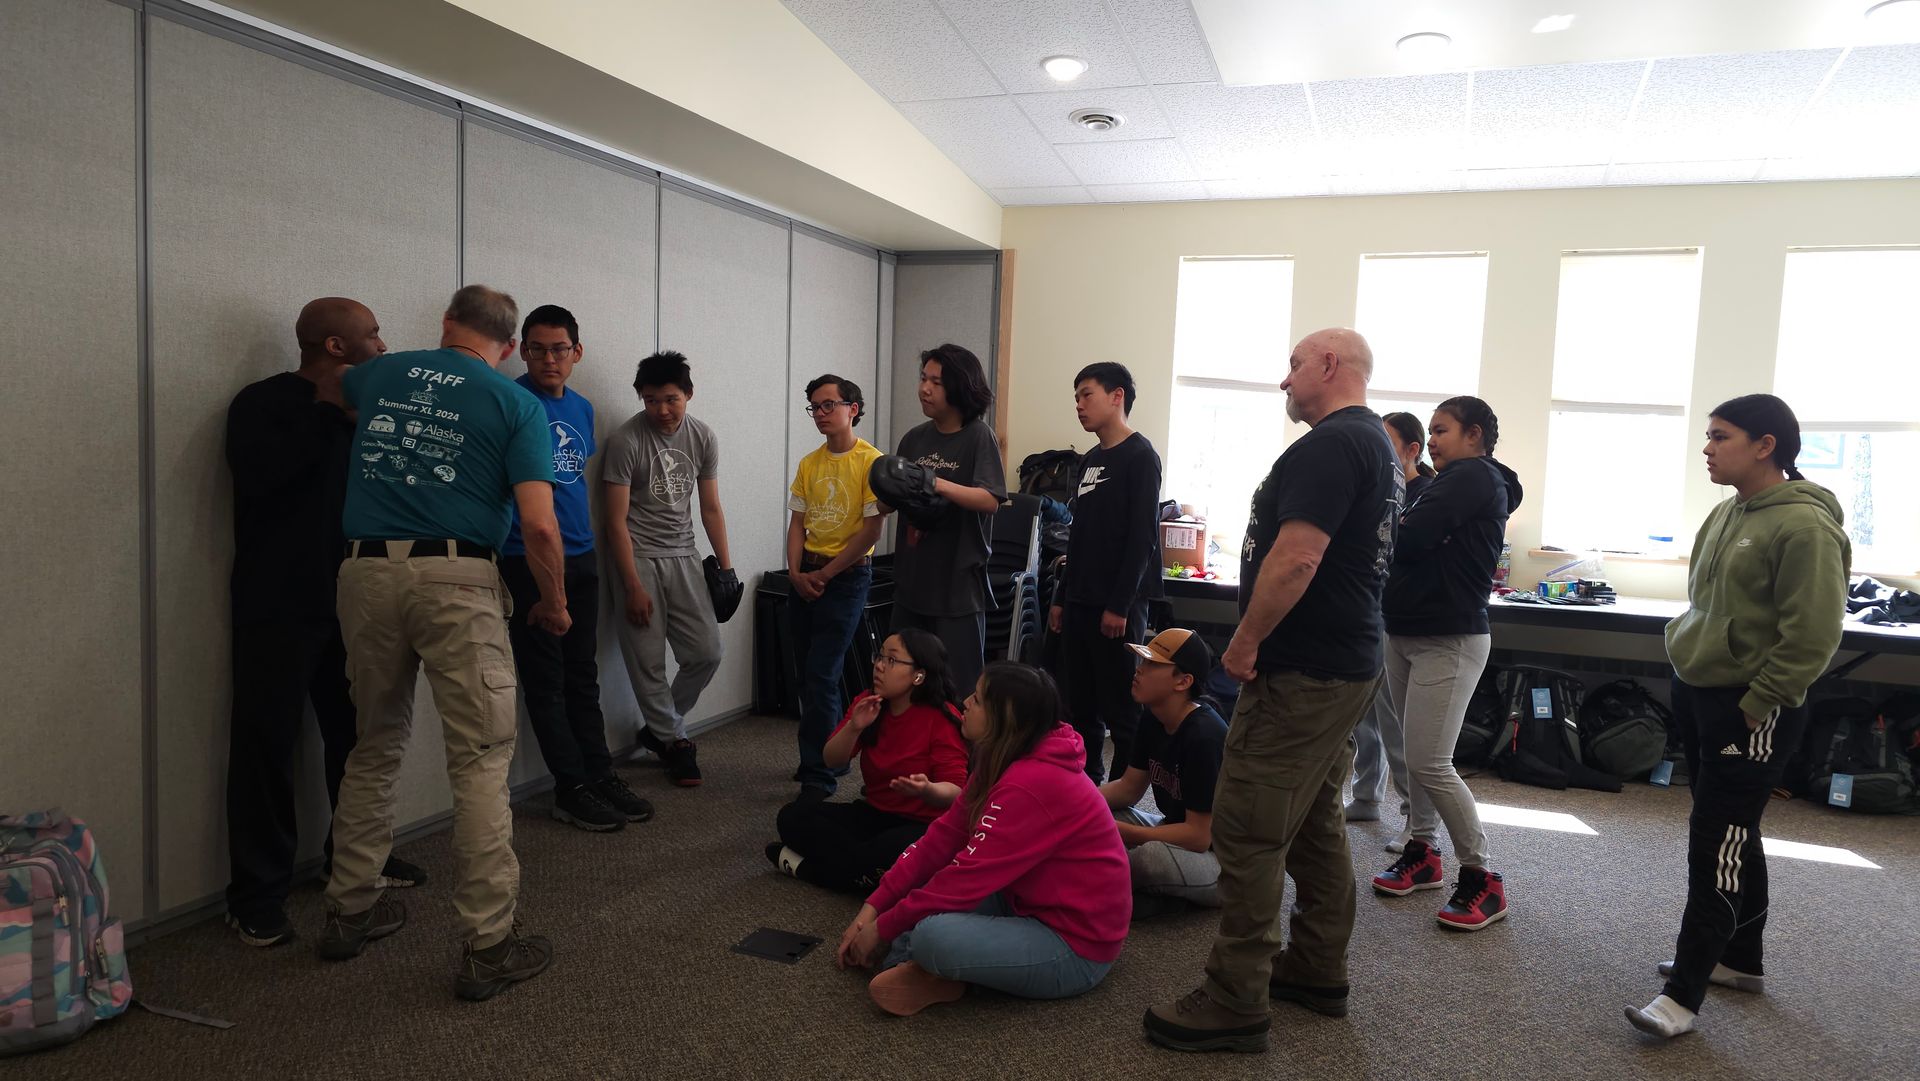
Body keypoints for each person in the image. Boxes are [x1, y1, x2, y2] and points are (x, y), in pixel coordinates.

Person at [1144, 328, 1401, 1053]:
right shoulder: (1377, 445)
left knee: (1249, 824)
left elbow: (1298, 557)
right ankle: (1316, 967)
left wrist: (1246, 641)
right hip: (1344, 663)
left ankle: (1234, 998)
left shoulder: (1329, 444)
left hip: (1304, 669)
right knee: (1314, 817)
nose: (1284, 382)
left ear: (1328, 365)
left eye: (1293, 366)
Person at [324, 285, 564, 1001]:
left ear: (445, 325)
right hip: (458, 576)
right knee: (482, 759)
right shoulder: (515, 402)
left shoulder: (382, 374)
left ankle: (348, 909)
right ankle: (489, 945)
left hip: (364, 570)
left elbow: (344, 386)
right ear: (512, 346)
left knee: (374, 739)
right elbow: (541, 525)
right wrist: (553, 603)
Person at [1627, 394, 1850, 1039]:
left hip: (1750, 707)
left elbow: (1813, 634)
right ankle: (1740, 962)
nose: (1707, 448)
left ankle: (1681, 997)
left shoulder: (1804, 527)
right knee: (1733, 832)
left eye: (1720, 437)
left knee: (1715, 843)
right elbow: (1705, 603)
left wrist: (1760, 702)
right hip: (1701, 692)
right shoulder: (1731, 511)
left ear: (1766, 445)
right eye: (1708, 436)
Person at [221, 297, 426, 947]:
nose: (383, 342)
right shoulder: (264, 404)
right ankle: (256, 894)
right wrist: (330, 414)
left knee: (361, 741)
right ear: (336, 347)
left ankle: (356, 858)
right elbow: (260, 477)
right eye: (372, 333)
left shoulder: (373, 415)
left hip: (356, 600)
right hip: (277, 603)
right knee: (267, 747)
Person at [835, 662, 1130, 1017]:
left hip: (1075, 946)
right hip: (1022, 901)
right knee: (920, 896)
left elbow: (965, 881)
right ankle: (926, 968)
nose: (965, 702)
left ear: (1004, 717)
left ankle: (936, 971)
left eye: (977, 698)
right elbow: (941, 839)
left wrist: (881, 929)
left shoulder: (1032, 782)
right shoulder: (1001, 756)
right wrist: (873, 908)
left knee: (931, 935)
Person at [1371, 397, 1522, 931]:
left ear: (1474, 434)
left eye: (1442, 430)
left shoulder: (1473, 476)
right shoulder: (1442, 481)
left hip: (1449, 638)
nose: (1432, 439)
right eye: (1431, 431)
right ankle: (1423, 853)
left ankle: (1483, 878)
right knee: (1414, 759)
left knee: (1431, 761)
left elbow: (1406, 539)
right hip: (1406, 630)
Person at [499, 305, 652, 832]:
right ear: (521, 351)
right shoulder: (512, 401)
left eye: (559, 348)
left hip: (582, 552)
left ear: (576, 353)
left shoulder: (583, 409)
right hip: (526, 556)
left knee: (582, 675)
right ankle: (571, 787)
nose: (548, 358)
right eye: (536, 348)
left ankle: (599, 771)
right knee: (546, 681)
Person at [602, 350, 732, 788]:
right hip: (638, 557)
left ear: (688, 395)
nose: (662, 409)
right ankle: (676, 741)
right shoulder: (626, 441)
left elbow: (710, 508)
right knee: (648, 662)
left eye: (671, 399)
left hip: (685, 556)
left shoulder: (703, 437)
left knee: (706, 653)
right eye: (651, 399)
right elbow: (614, 521)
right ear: (641, 398)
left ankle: (660, 728)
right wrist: (632, 584)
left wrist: (726, 568)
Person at [766, 629, 968, 893]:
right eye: (879, 656)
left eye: (892, 660)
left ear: (919, 675)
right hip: (874, 814)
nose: (879, 666)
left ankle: (812, 871)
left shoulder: (941, 717)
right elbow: (831, 759)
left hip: (923, 825)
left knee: (890, 851)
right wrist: (854, 727)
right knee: (792, 817)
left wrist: (927, 790)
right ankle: (867, 878)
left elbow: (956, 792)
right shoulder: (868, 702)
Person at [1048, 362, 1163, 783]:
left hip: (1117, 607)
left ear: (1117, 397)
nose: (1079, 405)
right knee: (1079, 706)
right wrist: (1061, 598)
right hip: (1079, 600)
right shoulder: (1091, 459)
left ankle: (1121, 802)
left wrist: (1120, 605)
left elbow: (1142, 540)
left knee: (1121, 709)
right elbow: (1077, 538)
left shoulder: (1141, 456)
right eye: (1076, 397)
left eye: (1086, 394)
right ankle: (1085, 788)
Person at [787, 374, 887, 798]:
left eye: (829, 405)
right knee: (807, 674)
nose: (821, 414)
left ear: (853, 409)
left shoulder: (872, 462)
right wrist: (794, 572)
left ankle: (819, 773)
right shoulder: (810, 463)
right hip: (805, 574)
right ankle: (823, 755)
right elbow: (797, 524)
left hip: (845, 578)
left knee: (822, 674)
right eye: (814, 407)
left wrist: (824, 576)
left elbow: (870, 533)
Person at [890, 344, 1008, 695]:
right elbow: (895, 501)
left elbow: (990, 499)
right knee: (903, 687)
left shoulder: (977, 436)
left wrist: (935, 481)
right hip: (912, 583)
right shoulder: (913, 438)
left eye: (936, 382)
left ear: (958, 387)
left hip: (957, 588)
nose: (924, 388)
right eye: (923, 378)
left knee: (958, 691)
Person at [1098, 628, 1228, 917]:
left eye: (1152, 664)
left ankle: (1105, 891)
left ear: (1183, 681)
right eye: (1142, 662)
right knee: (1099, 813)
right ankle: (1149, 899)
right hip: (1175, 833)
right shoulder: (1153, 715)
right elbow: (1129, 788)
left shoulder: (1205, 736)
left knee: (1149, 857)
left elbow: (1199, 836)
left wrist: (1124, 833)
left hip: (1221, 862)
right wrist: (1077, 801)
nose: (1139, 670)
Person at [1346, 412, 1433, 832]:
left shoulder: (1426, 494)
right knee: (1363, 715)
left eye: (1388, 442)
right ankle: (1365, 796)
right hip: (1368, 606)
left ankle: (1412, 819)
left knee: (1395, 722)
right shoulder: (1381, 488)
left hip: (1399, 618)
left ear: (1411, 450)